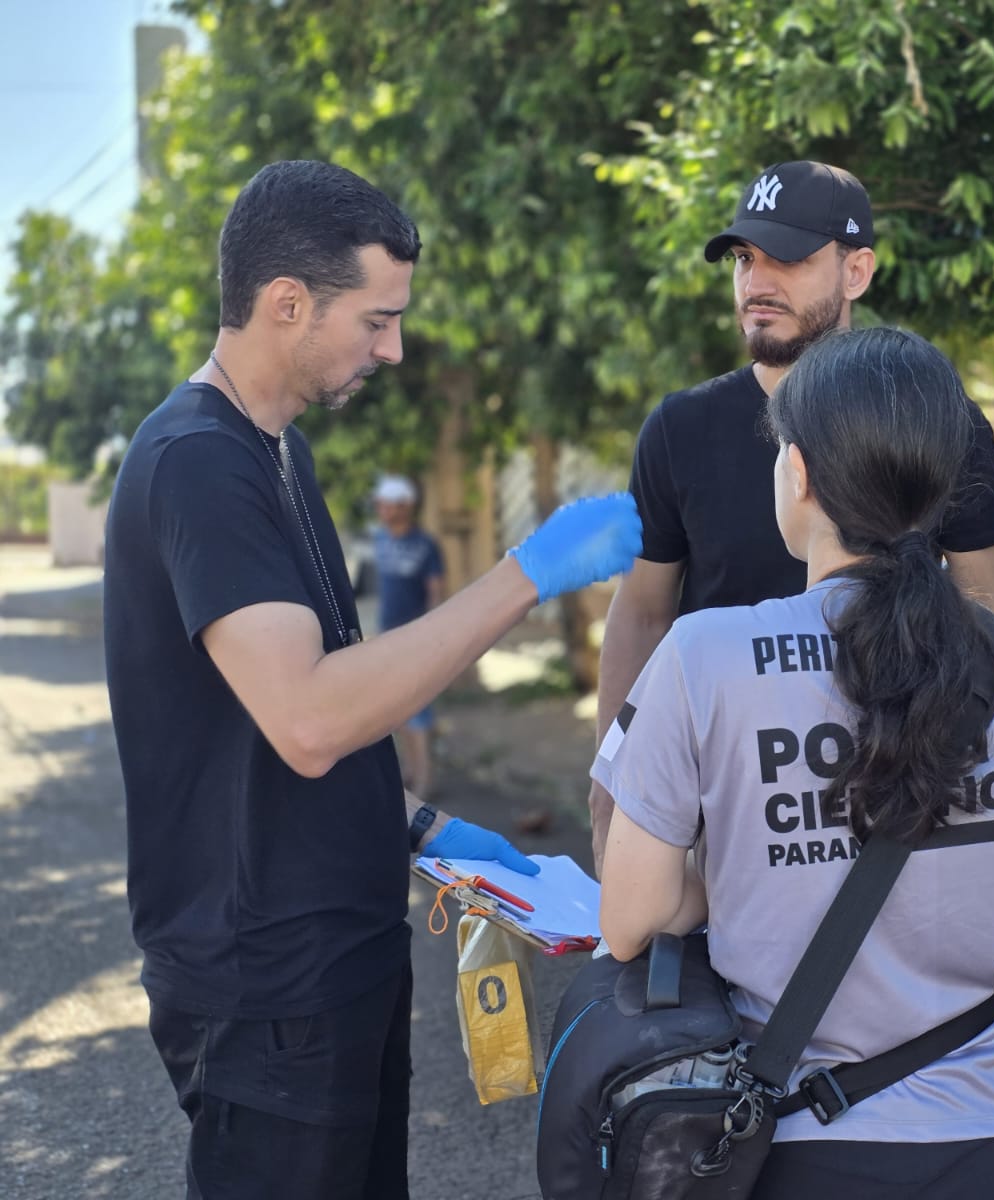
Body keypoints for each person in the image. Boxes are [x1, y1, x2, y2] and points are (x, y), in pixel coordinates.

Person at [102, 159, 641, 1200]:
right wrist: (526, 575)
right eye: (377, 321)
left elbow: (292, 713)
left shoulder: (279, 454)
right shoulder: (197, 462)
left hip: (342, 961)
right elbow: (308, 720)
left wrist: (418, 827)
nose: (392, 349)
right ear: (287, 302)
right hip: (266, 987)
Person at [594, 327, 994, 1200]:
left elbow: (631, 920)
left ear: (800, 474)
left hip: (809, 1143)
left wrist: (731, 874)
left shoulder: (706, 657)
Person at [588, 160, 994, 874]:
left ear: (856, 272)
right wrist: (610, 786)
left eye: (786, 259)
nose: (755, 283)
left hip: (898, 809)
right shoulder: (681, 429)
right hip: (719, 819)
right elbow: (640, 615)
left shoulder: (938, 418)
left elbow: (991, 609)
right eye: (743, 259)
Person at [370, 474, 445, 800]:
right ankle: (410, 772)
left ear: (406, 507)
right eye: (381, 504)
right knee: (397, 712)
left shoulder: (426, 545)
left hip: (417, 638)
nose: (384, 511)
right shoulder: (380, 540)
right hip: (389, 635)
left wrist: (435, 637)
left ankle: (425, 781)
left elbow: (436, 591)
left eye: (390, 505)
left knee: (418, 710)